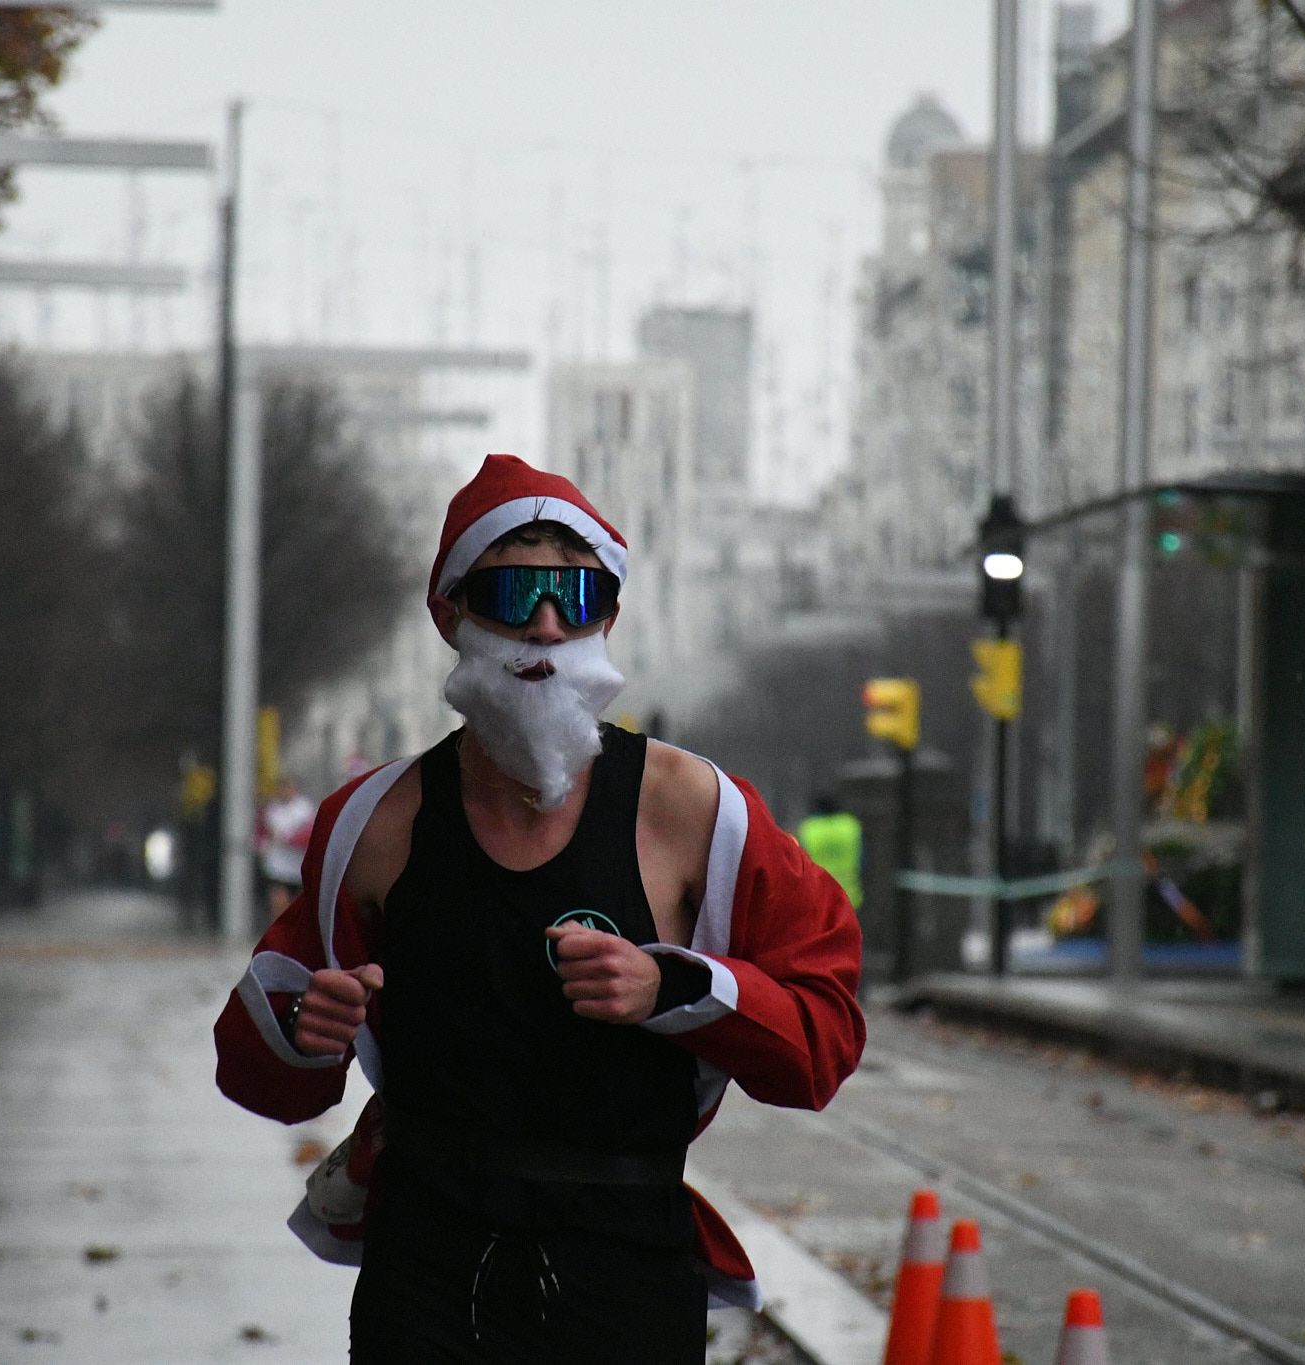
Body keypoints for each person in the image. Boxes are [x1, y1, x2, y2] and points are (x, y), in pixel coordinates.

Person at [213, 453, 866, 1364]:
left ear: (611, 613)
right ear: (452, 613)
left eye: (578, 593)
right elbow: (260, 1073)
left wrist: (674, 986)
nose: (549, 625)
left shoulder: (695, 811)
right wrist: (302, 1023)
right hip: (430, 1269)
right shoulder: (375, 824)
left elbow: (825, 1038)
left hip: (625, 1267)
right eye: (515, 592)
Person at [257, 779, 317, 919]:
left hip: (297, 867)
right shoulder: (273, 810)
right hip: (278, 866)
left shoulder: (304, 808)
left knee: (297, 908)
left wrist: (291, 839)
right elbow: (267, 833)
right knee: (279, 903)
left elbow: (309, 832)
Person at [796, 792, 863, 911]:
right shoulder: (850, 825)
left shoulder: (810, 828)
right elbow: (863, 859)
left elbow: (800, 863)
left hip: (819, 894)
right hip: (850, 894)